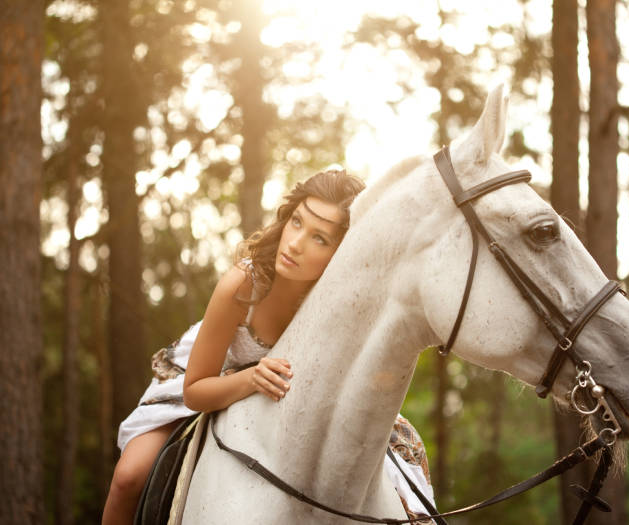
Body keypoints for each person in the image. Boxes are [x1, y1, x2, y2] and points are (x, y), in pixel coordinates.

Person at [102, 169, 436, 525]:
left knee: (408, 498)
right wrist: (250, 380)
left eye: (319, 239)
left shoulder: (340, 305)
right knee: (128, 478)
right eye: (297, 222)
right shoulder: (242, 285)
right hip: (210, 373)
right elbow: (195, 392)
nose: (294, 243)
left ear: (342, 254)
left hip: (286, 393)